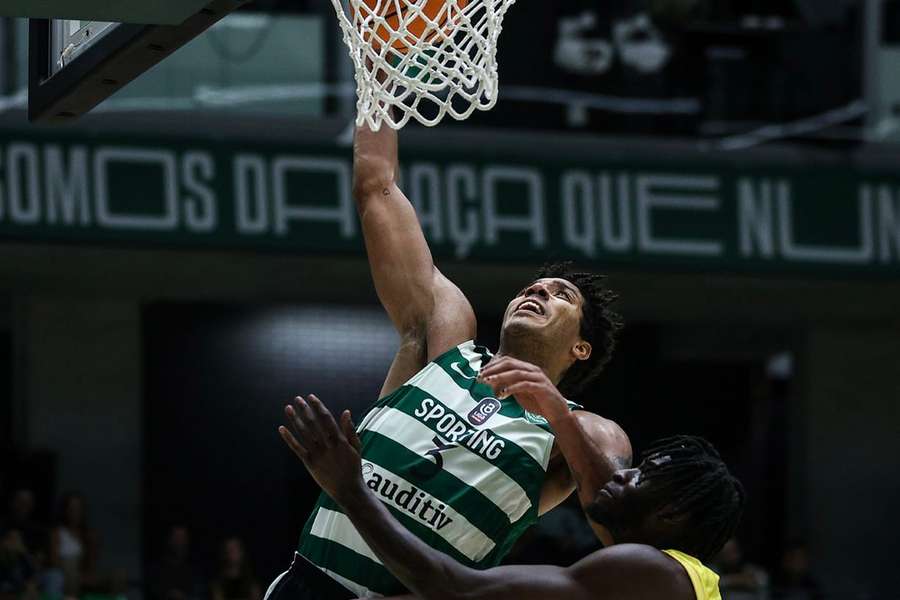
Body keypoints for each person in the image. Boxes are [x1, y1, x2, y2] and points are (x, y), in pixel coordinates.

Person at [265, 119, 632, 599]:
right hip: (307, 583)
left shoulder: (585, 430)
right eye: (533, 286)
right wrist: (378, 82)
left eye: (561, 295)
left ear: (580, 348)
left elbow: (622, 529)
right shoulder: (446, 342)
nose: (539, 289)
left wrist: (554, 406)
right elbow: (376, 187)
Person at [278, 399, 745, 600]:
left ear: (669, 513)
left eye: (640, 478)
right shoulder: (683, 582)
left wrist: (350, 490)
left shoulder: (653, 573)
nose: (621, 477)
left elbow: (458, 589)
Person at [48, 493, 98, 596]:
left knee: (119, 575)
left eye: (78, 508)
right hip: (63, 572)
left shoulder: (89, 535)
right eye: (72, 508)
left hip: (82, 573)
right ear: (65, 510)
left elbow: (92, 563)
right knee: (69, 569)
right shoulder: (57, 532)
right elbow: (54, 560)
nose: (75, 512)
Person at [146, 526, 202, 600]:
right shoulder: (156, 570)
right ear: (169, 541)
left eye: (183, 539)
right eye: (177, 538)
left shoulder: (193, 571)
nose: (181, 543)